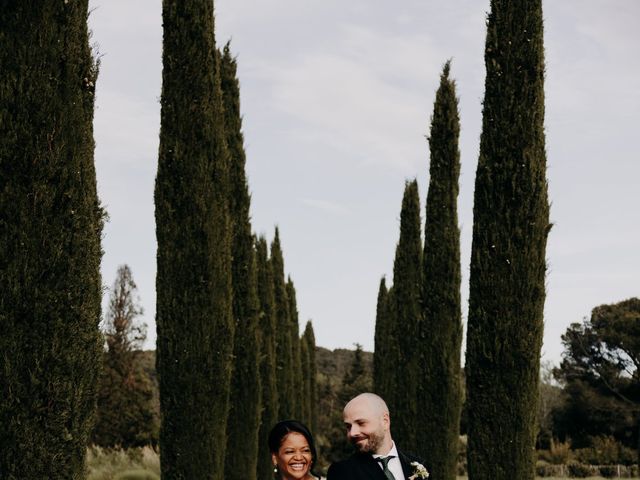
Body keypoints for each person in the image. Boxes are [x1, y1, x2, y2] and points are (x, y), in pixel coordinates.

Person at [326, 393, 429, 480]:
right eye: (348, 426)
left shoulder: (419, 465)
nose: (352, 433)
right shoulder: (342, 472)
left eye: (361, 423)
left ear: (385, 421)